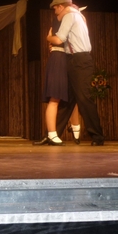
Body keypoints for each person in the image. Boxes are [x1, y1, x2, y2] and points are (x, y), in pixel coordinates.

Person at [35, 0, 105, 146]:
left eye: (55, 8)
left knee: (84, 98)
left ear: (61, 6)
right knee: (68, 101)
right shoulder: (77, 15)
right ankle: (52, 135)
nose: (55, 12)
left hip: (79, 60)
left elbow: (59, 39)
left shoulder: (69, 15)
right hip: (75, 60)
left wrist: (48, 38)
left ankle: (97, 136)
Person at [39, 11, 82, 146]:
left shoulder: (73, 21)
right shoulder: (60, 21)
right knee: (55, 97)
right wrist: (49, 39)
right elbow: (56, 40)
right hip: (60, 58)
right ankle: (52, 134)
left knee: (72, 95)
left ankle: (75, 126)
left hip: (69, 59)